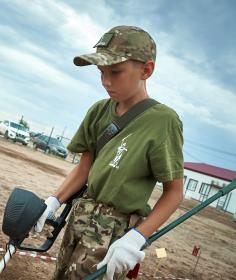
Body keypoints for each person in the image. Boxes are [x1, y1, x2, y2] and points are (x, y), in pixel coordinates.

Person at [35, 26, 184, 280]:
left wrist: (138, 236)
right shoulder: (98, 111)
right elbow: (85, 168)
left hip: (116, 234)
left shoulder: (163, 122)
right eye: (101, 72)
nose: (106, 81)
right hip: (79, 219)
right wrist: (54, 200)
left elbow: (174, 192)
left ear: (146, 70)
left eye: (115, 72)